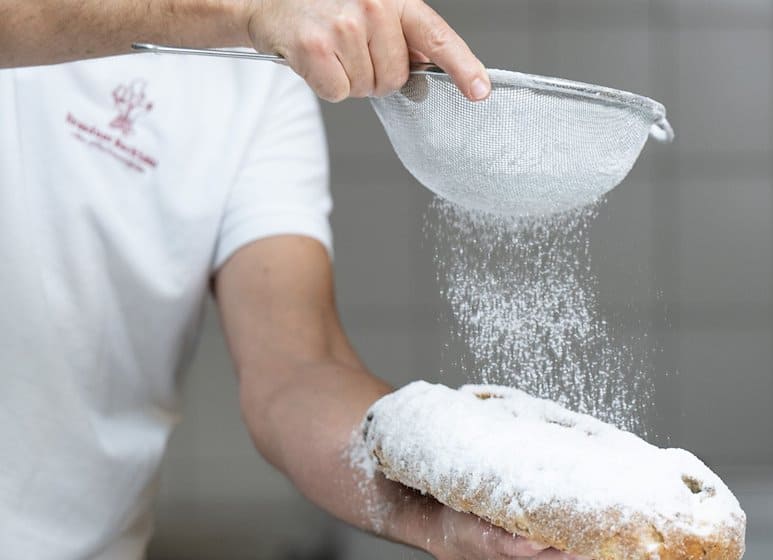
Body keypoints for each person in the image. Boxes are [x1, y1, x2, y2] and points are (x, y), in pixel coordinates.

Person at [0, 1, 582, 558]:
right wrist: (247, 10)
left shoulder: (261, 80)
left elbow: (295, 370)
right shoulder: (257, 16)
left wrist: (442, 508)